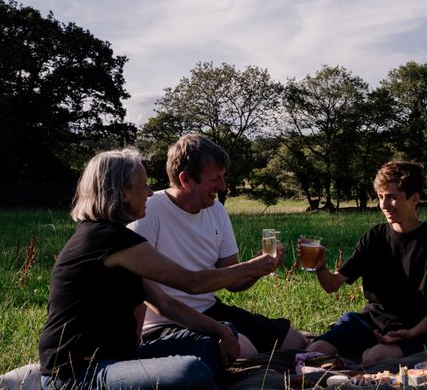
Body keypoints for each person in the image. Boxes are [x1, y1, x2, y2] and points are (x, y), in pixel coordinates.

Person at [37, 148, 279, 390]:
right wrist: (251, 267)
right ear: (123, 193)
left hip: (121, 358)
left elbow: (166, 304)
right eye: (143, 185)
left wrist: (221, 330)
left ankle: (200, 383)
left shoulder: (116, 238)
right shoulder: (106, 240)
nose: (150, 192)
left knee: (218, 336)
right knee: (191, 372)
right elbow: (193, 283)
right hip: (77, 376)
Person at [128, 134, 309, 355]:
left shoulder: (216, 211)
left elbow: (233, 281)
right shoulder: (149, 211)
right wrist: (250, 267)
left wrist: (258, 269)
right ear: (186, 180)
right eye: (215, 179)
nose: (222, 186)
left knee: (296, 341)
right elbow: (153, 294)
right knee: (244, 350)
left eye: (223, 177)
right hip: (165, 322)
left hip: (209, 309)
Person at [304, 161, 427, 365]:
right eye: (381, 197)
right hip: (371, 320)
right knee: (313, 353)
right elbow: (332, 285)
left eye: (392, 197)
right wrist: (320, 267)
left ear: (415, 198)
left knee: (372, 359)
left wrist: (410, 334)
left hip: (413, 327)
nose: (384, 205)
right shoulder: (375, 237)